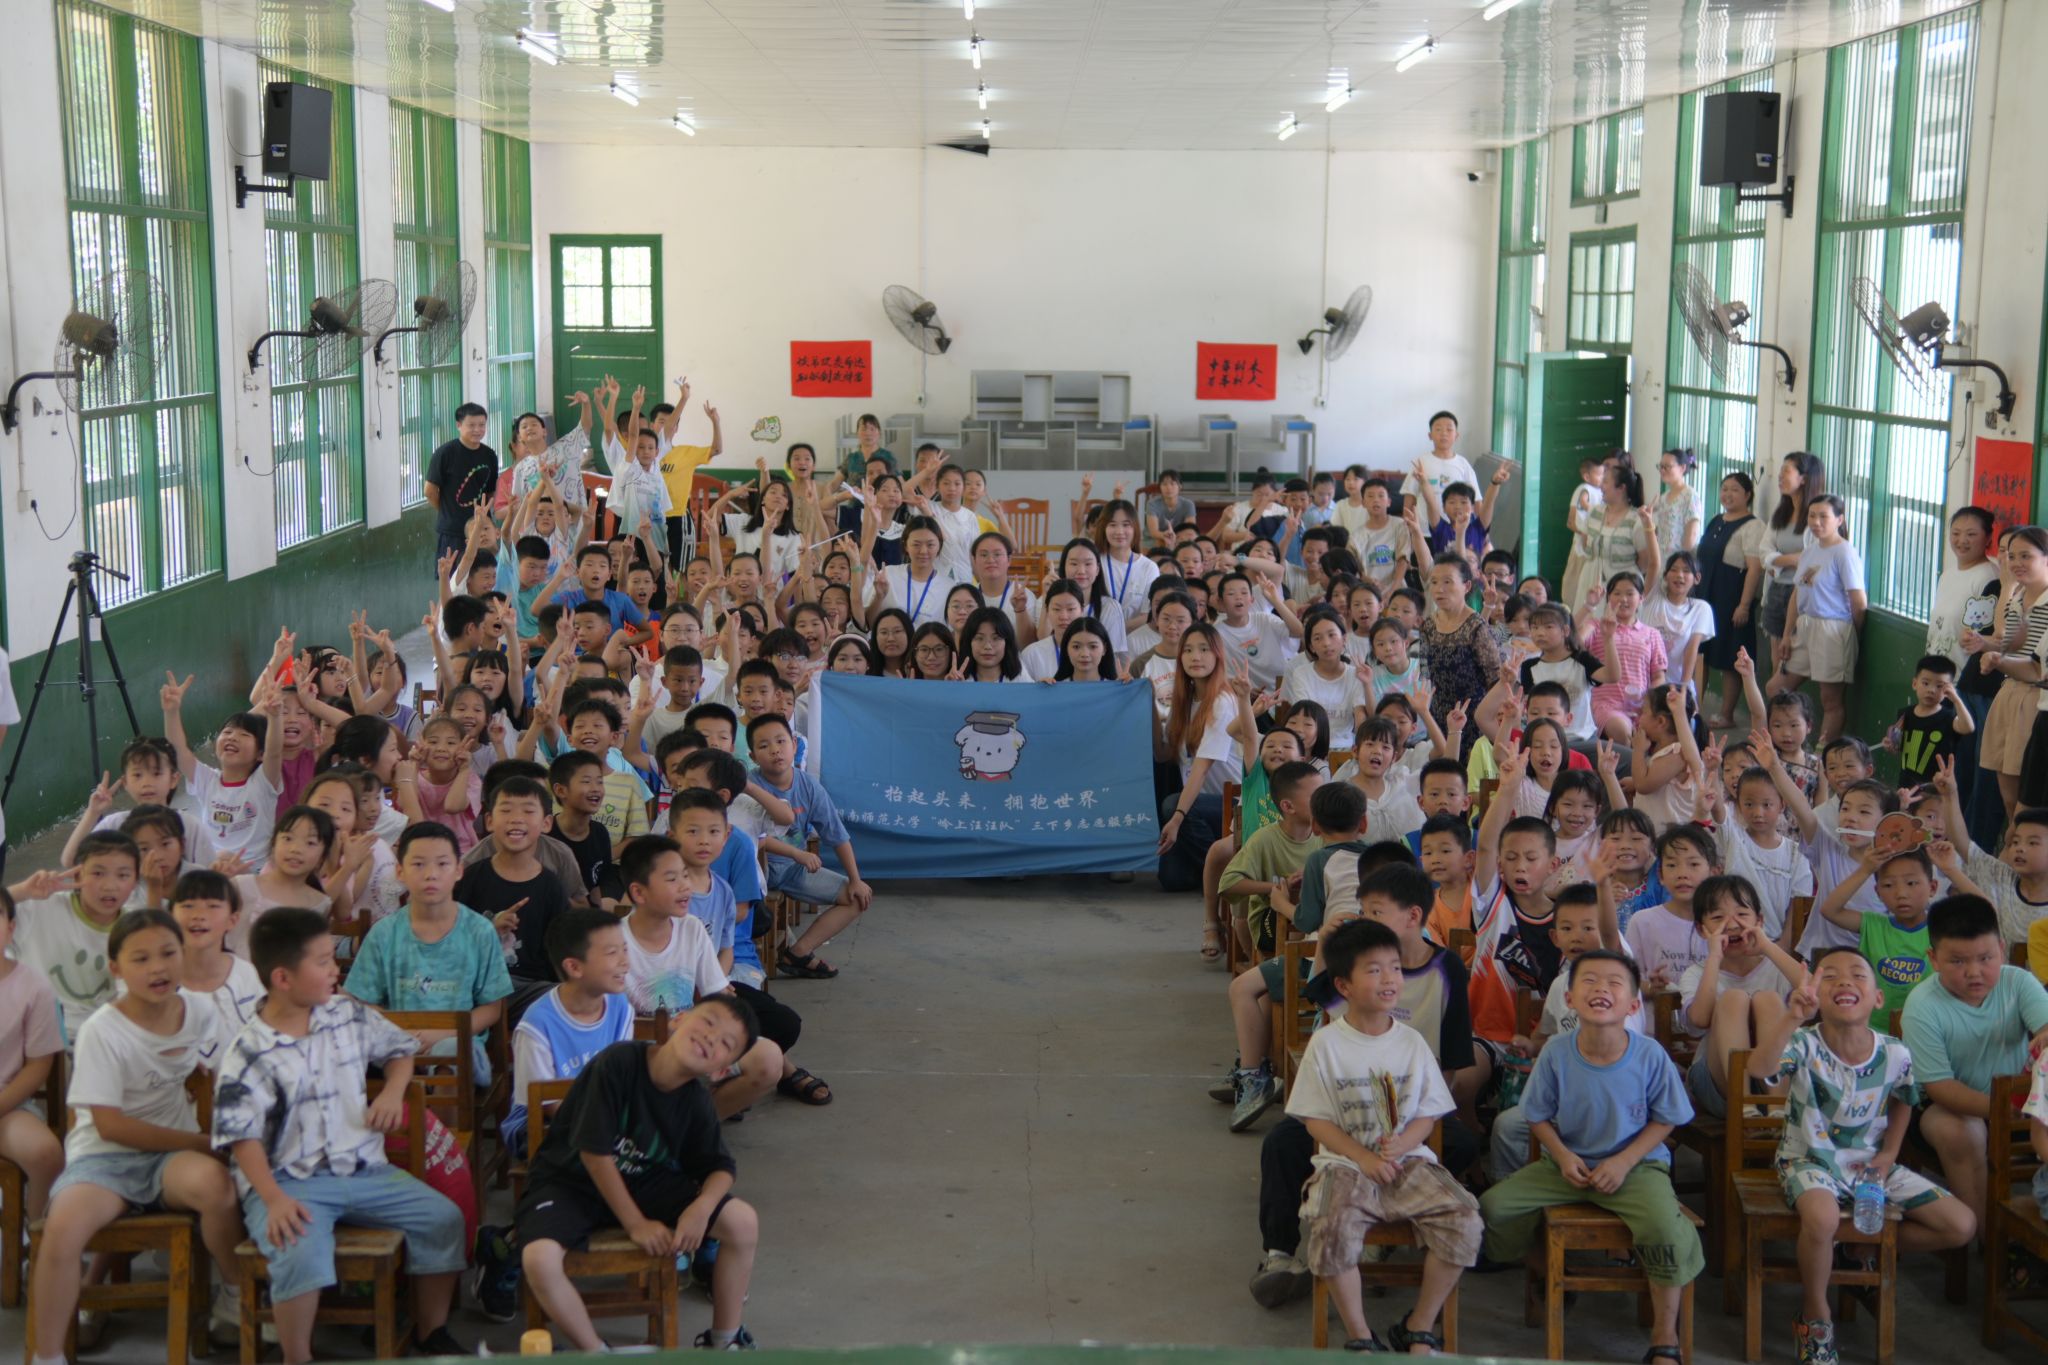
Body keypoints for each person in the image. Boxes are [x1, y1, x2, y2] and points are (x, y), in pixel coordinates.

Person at [209, 908, 469, 1363]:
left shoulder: (347, 1014)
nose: (335, 971)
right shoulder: (248, 1052)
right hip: (289, 1181)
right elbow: (241, 1139)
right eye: (323, 961)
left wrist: (392, 1091)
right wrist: (273, 1199)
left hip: (366, 1170)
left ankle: (431, 1331)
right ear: (283, 978)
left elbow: (400, 1050)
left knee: (443, 1218)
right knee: (297, 1248)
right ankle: (297, 1356)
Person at [30, 911, 246, 1358]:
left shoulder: (199, 1010)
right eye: (141, 959)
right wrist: (200, 1142)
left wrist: (202, 1084)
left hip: (168, 1160)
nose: (158, 968)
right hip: (104, 1158)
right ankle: (47, 1354)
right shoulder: (101, 1030)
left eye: (168, 953)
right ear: (116, 968)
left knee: (216, 1187)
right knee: (62, 1229)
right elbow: (110, 1126)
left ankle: (234, 1295)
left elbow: (217, 1066)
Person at [1748, 947, 1976, 1365]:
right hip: (1808, 1159)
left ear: (1878, 998)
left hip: (1869, 1165)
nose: (1844, 981)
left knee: (1961, 1225)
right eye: (1830, 976)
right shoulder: (1803, 1043)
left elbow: (1905, 1099)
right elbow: (1759, 1069)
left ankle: (1856, 1250)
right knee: (1822, 1219)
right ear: (1817, 993)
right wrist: (1792, 1017)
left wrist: (1889, 1153)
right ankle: (1815, 1314)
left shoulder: (1895, 1052)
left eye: (1857, 974)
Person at [1479, 949, 1702, 1364]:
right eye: (1589, 981)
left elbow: (1668, 1118)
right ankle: (1556, 1273)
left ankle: (1664, 1337)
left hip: (1636, 1168)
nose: (1601, 989)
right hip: (1567, 1166)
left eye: (1615, 983)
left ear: (1633, 1005)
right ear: (1569, 999)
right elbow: (1537, 1115)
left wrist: (1623, 1162)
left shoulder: (1650, 1054)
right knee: (1492, 1209)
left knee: (1665, 1231)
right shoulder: (1556, 1052)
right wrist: (1563, 1156)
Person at [516, 998, 764, 1353]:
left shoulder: (695, 1101)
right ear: (678, 1019)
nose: (712, 1038)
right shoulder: (619, 1062)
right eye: (709, 1022)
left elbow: (720, 1167)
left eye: (726, 1043)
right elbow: (594, 1154)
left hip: (644, 1183)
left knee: (742, 1222)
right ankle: (595, 1351)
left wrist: (702, 1208)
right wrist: (635, 1224)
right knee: (539, 1259)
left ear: (722, 1070)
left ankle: (725, 1340)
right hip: (569, 1180)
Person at [1284, 918, 1482, 1354]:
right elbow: (1316, 1121)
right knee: (1330, 1227)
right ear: (1344, 985)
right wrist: (1365, 1157)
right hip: (1345, 1165)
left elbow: (1429, 1112)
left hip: (1409, 1162)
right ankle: (1359, 1334)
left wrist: (1406, 1143)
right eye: (1374, 970)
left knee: (1465, 1220)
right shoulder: (1326, 1044)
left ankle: (1418, 1326)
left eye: (1394, 967)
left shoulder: (1412, 1042)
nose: (1390, 978)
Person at [1901, 893, 2048, 1234]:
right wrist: (2006, 1110)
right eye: (1957, 961)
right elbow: (1940, 1088)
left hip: (2020, 1107)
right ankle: (1989, 1238)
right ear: (1933, 959)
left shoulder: (2018, 982)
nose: (1974, 972)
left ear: (2002, 949)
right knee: (1960, 1131)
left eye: (1986, 958)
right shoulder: (1922, 1005)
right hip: (1945, 1108)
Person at [345, 822, 513, 1085]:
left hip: (458, 1042)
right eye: (418, 864)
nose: (431, 874)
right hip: (397, 1039)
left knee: (449, 1056)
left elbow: (492, 1007)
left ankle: (444, 1114)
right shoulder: (384, 933)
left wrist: (441, 1035)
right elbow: (362, 1001)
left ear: (458, 870)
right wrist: (402, 1033)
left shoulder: (479, 931)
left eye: (442, 864)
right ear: (400, 871)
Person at [1217, 761, 1326, 1129]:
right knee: (1265, 982)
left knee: (1262, 991)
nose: (1323, 801)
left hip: (1309, 933)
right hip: (1274, 923)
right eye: (1315, 795)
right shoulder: (1267, 838)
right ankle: (1254, 1073)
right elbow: (1229, 884)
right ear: (1288, 806)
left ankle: (1252, 1070)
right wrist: (1276, 888)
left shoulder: (1326, 841)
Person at [740, 715, 874, 980]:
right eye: (764, 745)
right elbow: (753, 838)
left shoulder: (809, 786)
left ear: (794, 744)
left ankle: (798, 953)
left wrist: (856, 880)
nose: (775, 750)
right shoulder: (748, 787)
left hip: (794, 870)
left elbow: (837, 835)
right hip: (757, 871)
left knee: (858, 898)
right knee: (751, 908)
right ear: (753, 756)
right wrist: (796, 853)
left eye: (781, 741)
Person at [1679, 874, 1802, 1120]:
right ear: (1702, 929)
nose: (1732, 924)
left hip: (1778, 1079)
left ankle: (1778, 1108)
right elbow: (1700, 1019)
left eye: (1742, 914)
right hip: (1718, 1084)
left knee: (1767, 1000)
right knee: (1733, 999)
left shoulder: (1776, 966)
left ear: (1759, 921)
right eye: (1718, 917)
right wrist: (1714, 957)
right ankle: (1745, 1107)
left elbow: (1816, 993)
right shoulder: (1697, 973)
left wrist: (1768, 947)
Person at [1813, 842, 1980, 1018]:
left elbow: (1986, 911)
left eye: (1911, 883)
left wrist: (1951, 870)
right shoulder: (1873, 925)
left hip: (1927, 1027)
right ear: (1877, 892)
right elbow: (1829, 910)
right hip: (1874, 1029)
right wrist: (1865, 870)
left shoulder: (1944, 928)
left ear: (1932, 888)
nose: (1901, 893)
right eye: (1888, 885)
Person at [1768, 495, 1866, 746]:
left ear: (1839, 520)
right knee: (1776, 688)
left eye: (1824, 516)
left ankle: (1823, 756)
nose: (1816, 522)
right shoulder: (1810, 550)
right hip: (1805, 626)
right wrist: (1787, 634)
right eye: (1812, 515)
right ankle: (1785, 746)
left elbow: (1858, 602)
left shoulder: (1844, 552)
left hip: (1833, 628)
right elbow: (1797, 593)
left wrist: (1851, 635)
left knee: (1830, 700)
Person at [0, 886, 63, 1233]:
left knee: (46, 1153)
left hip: (6, 1104)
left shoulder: (34, 987)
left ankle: (39, 1240)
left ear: (11, 927)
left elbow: (39, 1065)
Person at [1697, 471, 1766, 729]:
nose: (1727, 494)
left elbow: (1754, 569)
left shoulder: (1753, 526)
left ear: (1747, 494)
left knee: (1730, 657)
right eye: (1724, 488)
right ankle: (1695, 710)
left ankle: (1727, 714)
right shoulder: (1716, 520)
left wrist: (1744, 605)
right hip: (1706, 595)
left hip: (1732, 598)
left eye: (1735, 489)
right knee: (1700, 653)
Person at [1759, 451, 1824, 651]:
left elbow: (1815, 561)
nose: (1779, 476)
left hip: (1804, 595)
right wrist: (1790, 560)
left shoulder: (1818, 518)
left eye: (1786, 470)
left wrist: (1777, 560)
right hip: (1777, 590)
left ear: (1803, 478)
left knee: (1796, 657)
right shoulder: (1781, 512)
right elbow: (1764, 551)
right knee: (1776, 656)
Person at [424, 401, 497, 563]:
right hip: (453, 531)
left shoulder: (489, 455)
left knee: (485, 574)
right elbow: (429, 491)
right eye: (471, 425)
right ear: (459, 425)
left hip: (482, 530)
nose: (477, 430)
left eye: (482, 425)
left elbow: (491, 491)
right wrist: (448, 511)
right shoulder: (445, 453)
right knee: (453, 576)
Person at [1887, 654, 1974, 786]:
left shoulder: (1948, 717)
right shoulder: (1904, 714)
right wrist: (1891, 745)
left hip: (1936, 788)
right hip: (1906, 785)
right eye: (1926, 683)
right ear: (1914, 683)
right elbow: (1899, 747)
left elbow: (1968, 727)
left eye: (1939, 686)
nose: (1931, 690)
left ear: (1948, 689)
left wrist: (1956, 699)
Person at [1401, 411, 1480, 507]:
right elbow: (1410, 496)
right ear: (1430, 435)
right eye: (1438, 429)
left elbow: (1476, 499)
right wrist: (1407, 516)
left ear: (1456, 435)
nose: (1444, 433)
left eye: (1449, 429)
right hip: (1424, 517)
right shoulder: (1420, 463)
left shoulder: (1463, 464)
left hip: (1455, 517)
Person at [1650, 448, 1704, 555]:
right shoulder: (1663, 497)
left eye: (1667, 466)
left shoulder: (1690, 495)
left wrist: (1681, 559)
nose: (1662, 470)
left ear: (1682, 468)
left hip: (1679, 559)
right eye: (1661, 466)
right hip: (1662, 557)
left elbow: (1692, 535)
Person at [1144, 470, 1197, 549]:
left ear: (1180, 486)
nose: (1168, 487)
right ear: (1160, 487)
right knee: (1160, 543)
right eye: (1164, 484)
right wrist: (1167, 536)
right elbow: (1154, 532)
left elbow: (1190, 530)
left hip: (1179, 539)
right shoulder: (1152, 504)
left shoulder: (1188, 505)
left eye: (1172, 483)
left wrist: (1175, 539)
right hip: (1155, 538)